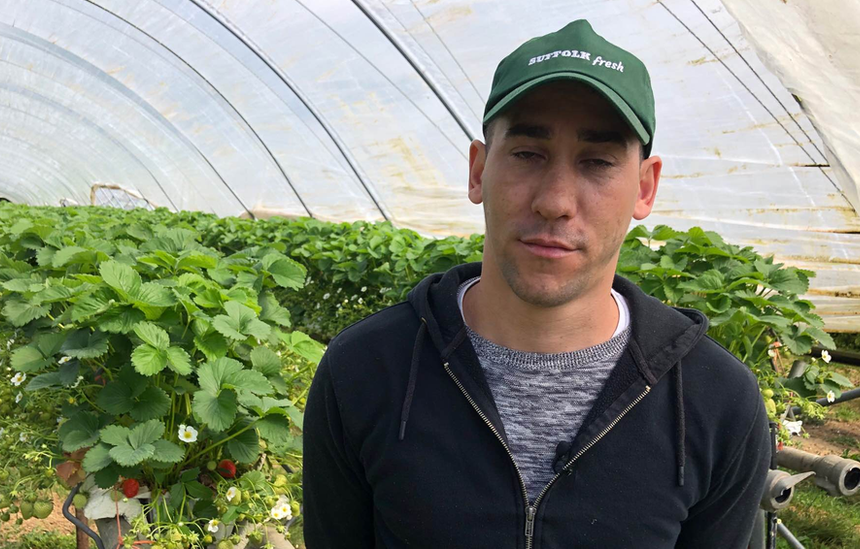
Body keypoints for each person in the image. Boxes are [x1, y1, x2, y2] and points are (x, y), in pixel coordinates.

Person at [303, 19, 770, 548]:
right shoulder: (365, 371)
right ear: (478, 170)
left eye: (597, 162)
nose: (555, 201)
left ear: (645, 188)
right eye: (528, 154)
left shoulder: (716, 401)